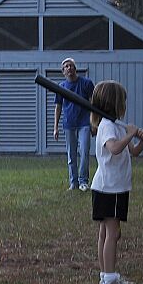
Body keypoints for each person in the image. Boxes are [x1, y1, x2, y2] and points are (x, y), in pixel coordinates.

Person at [89, 80, 143, 284]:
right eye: (123, 100)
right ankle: (110, 280)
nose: (125, 104)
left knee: (107, 233)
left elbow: (132, 151)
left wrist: (141, 140)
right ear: (115, 103)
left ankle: (106, 276)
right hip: (109, 188)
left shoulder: (115, 126)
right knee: (111, 234)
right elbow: (114, 148)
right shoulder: (107, 126)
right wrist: (130, 134)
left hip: (114, 187)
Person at [53, 57, 95, 191]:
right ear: (63, 72)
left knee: (84, 152)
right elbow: (58, 107)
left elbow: (93, 104)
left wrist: (94, 123)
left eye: (71, 65)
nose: (69, 68)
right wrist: (55, 127)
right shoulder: (61, 87)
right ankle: (73, 183)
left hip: (84, 123)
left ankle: (83, 181)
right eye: (66, 66)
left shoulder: (86, 83)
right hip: (69, 124)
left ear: (75, 68)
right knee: (71, 155)